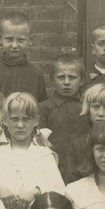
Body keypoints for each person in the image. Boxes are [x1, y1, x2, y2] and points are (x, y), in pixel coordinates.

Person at [39, 54, 90, 182]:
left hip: (83, 170)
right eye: (61, 77)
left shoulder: (88, 107)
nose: (66, 82)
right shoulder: (43, 108)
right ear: (52, 79)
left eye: (72, 77)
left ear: (82, 80)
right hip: (52, 170)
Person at [0, 12, 47, 102]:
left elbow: (40, 110)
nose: (14, 45)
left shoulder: (36, 75)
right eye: (9, 39)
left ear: (31, 40)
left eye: (20, 40)